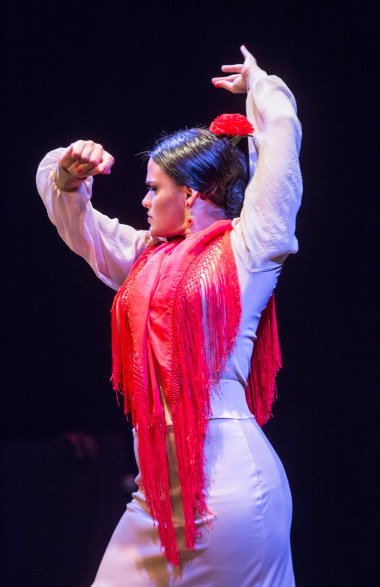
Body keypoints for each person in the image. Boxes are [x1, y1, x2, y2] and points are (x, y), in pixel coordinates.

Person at [36, 46, 302, 586]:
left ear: (192, 195)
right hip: (156, 500)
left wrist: (262, 87)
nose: (144, 201)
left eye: (154, 188)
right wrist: (66, 175)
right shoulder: (145, 260)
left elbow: (283, 142)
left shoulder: (248, 251)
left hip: (232, 492)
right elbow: (81, 227)